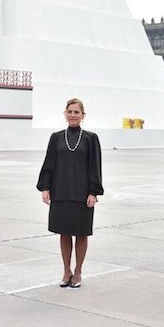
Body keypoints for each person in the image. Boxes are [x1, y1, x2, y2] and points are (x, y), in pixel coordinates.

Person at [37, 98, 103, 288]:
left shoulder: (91, 138)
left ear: (83, 116)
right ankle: (66, 271)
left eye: (77, 112)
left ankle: (79, 271)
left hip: (82, 194)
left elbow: (95, 167)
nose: (73, 115)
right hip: (61, 191)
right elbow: (49, 163)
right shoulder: (56, 137)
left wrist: (94, 192)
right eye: (70, 112)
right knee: (64, 233)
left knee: (81, 233)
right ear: (65, 114)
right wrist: (45, 188)